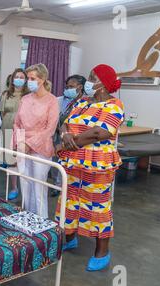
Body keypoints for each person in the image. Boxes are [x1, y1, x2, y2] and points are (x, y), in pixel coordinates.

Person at [55, 64, 124, 272]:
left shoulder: (115, 105)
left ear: (102, 83)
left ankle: (102, 251)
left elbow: (99, 133)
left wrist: (70, 141)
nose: (88, 81)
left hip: (98, 165)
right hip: (73, 162)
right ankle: (69, 237)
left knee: (97, 207)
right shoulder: (82, 102)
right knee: (69, 201)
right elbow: (65, 122)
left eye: (92, 77)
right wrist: (66, 134)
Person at [13, 63, 59, 218]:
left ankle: (41, 223)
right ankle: (27, 219)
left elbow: (50, 129)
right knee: (25, 185)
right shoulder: (25, 99)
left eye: (32, 78)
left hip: (41, 148)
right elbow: (17, 122)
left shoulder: (52, 101)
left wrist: (29, 143)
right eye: (28, 78)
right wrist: (19, 142)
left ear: (43, 79)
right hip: (22, 147)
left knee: (38, 188)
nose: (29, 81)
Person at [50, 75, 87, 197]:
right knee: (56, 162)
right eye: (67, 87)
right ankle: (57, 185)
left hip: (74, 139)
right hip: (58, 135)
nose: (67, 89)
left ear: (80, 87)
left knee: (68, 165)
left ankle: (67, 187)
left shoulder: (86, 103)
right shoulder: (62, 100)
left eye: (71, 87)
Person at [0, 68, 29, 200]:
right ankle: (14, 187)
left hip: (24, 129)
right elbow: (2, 112)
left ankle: (27, 186)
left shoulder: (29, 95)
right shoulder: (6, 94)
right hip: (8, 128)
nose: (19, 79)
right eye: (17, 76)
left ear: (26, 80)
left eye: (22, 77)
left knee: (23, 159)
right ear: (12, 79)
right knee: (11, 160)